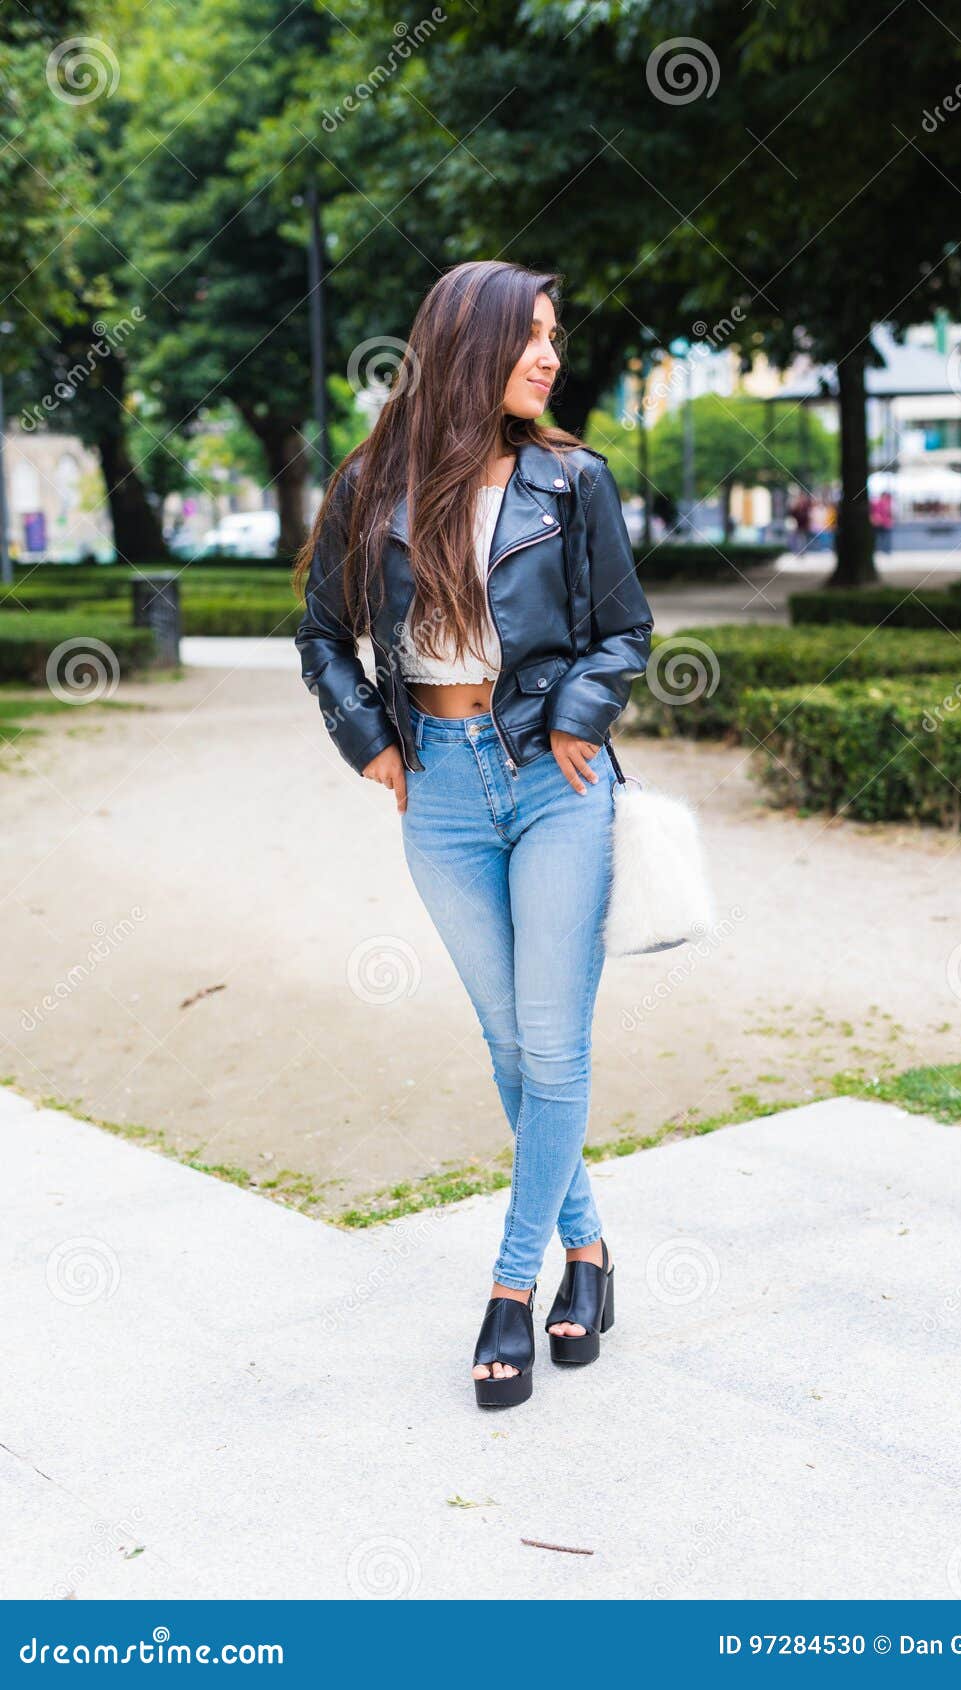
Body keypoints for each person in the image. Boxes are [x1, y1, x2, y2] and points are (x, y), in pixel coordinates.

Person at [293, 260, 653, 1410]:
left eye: (555, 335)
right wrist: (371, 740)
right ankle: (588, 1255)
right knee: (511, 1047)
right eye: (529, 337)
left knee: (550, 1046)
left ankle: (512, 1288)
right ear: (466, 343)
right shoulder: (369, 486)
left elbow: (622, 630)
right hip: (439, 796)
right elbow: (319, 636)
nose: (550, 357)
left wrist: (579, 718)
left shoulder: (569, 480)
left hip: (554, 785)